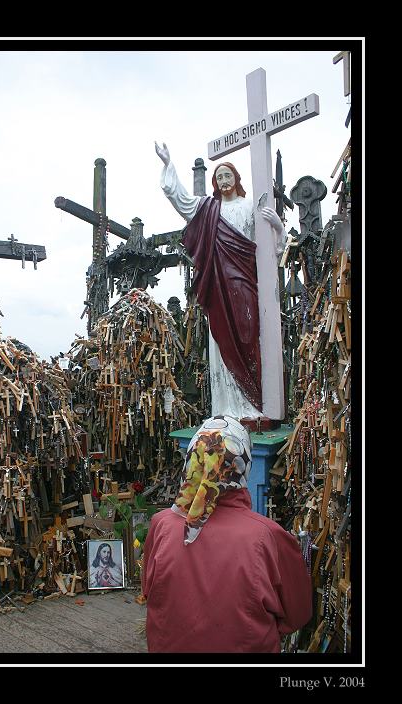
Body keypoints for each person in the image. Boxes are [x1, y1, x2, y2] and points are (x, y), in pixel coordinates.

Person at [142, 415, 312, 653]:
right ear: (241, 467)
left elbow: (151, 593)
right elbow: (298, 614)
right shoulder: (268, 537)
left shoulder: (161, 525)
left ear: (192, 461)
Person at [155, 142, 287, 420]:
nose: (224, 181)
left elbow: (270, 249)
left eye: (228, 175)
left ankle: (254, 405)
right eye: (220, 177)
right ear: (215, 183)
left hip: (243, 283)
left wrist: (277, 226)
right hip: (218, 284)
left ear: (237, 180)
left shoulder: (251, 207)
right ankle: (226, 408)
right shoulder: (208, 209)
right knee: (220, 339)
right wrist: (168, 165)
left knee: (249, 334)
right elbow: (181, 201)